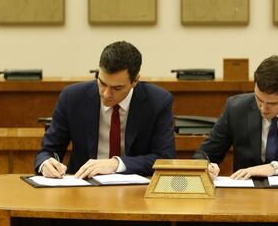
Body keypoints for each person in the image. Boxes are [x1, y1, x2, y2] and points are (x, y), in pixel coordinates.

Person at [35, 41, 175, 178]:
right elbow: (48, 151)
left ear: (135, 81)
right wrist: (46, 163)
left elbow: (164, 158)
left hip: (134, 190)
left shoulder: (158, 102)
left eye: (117, 88)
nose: (106, 94)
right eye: (102, 83)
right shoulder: (72, 98)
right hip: (82, 187)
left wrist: (116, 164)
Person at [194, 55, 278, 179]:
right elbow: (204, 154)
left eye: (272, 103)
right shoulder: (236, 108)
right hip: (247, 193)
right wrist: (206, 167)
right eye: (259, 99)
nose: (263, 108)